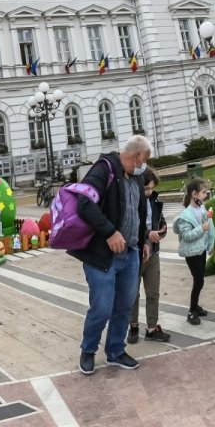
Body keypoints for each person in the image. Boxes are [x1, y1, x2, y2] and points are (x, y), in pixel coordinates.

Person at [71, 134, 151, 375]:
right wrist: (109, 232)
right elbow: (84, 203)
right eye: (144, 159)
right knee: (102, 307)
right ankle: (88, 350)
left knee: (125, 305)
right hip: (103, 257)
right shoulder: (104, 169)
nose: (145, 165)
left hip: (131, 253)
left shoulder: (136, 177)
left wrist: (143, 238)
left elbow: (137, 211)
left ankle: (116, 350)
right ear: (136, 156)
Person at [128, 168, 170, 344]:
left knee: (153, 293)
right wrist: (147, 233)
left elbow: (160, 220)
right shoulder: (133, 201)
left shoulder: (154, 200)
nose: (149, 192)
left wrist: (162, 230)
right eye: (146, 189)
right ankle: (133, 326)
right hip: (136, 254)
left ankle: (152, 328)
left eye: (151, 188)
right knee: (133, 294)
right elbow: (131, 226)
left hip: (153, 253)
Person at [174, 177, 215, 326]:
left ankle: (196, 306)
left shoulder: (201, 208)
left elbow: (208, 226)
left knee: (200, 279)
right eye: (203, 192)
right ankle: (192, 311)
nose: (206, 195)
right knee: (198, 281)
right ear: (194, 194)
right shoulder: (186, 215)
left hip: (201, 250)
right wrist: (201, 228)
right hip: (192, 253)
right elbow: (186, 236)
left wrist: (210, 243)